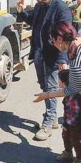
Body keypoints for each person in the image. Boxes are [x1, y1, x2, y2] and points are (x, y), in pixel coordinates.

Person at [17, 0, 72, 141]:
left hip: (54, 55)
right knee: (44, 86)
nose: (39, 0)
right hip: (39, 53)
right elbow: (31, 21)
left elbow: (66, 36)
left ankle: (48, 124)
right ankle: (53, 118)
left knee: (51, 88)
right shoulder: (40, 6)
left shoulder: (62, 8)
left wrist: (62, 60)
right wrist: (21, 12)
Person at [34, 21, 81, 163]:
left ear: (59, 39)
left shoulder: (76, 57)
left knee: (77, 134)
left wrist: (47, 95)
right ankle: (69, 153)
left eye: (52, 40)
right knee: (68, 129)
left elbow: (73, 89)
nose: (52, 43)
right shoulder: (75, 47)